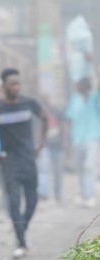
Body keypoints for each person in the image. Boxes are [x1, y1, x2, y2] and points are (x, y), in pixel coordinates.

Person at [0, 68, 48, 259]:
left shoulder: (29, 103)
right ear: (4, 86)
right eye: (12, 84)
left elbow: (44, 117)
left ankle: (21, 230)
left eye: (18, 84)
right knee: (14, 202)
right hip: (9, 160)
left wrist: (41, 142)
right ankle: (21, 242)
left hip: (28, 158)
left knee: (32, 200)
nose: (16, 87)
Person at [65, 53, 100, 208]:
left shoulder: (94, 98)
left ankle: (91, 195)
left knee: (89, 167)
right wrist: (67, 141)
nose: (77, 86)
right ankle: (84, 194)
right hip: (77, 139)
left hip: (92, 138)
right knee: (79, 169)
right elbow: (69, 120)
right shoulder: (75, 99)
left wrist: (93, 63)